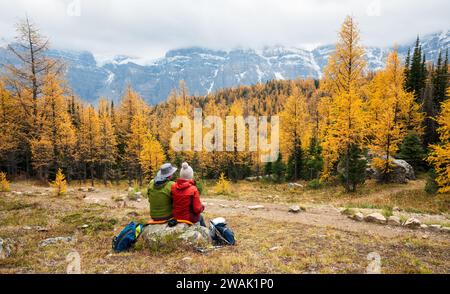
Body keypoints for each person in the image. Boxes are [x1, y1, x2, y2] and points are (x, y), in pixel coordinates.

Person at [171, 162, 206, 226]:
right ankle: (206, 234)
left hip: (176, 217)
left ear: (181, 175)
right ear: (191, 176)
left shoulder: (173, 187)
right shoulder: (193, 189)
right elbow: (197, 209)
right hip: (188, 219)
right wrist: (203, 206)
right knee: (200, 218)